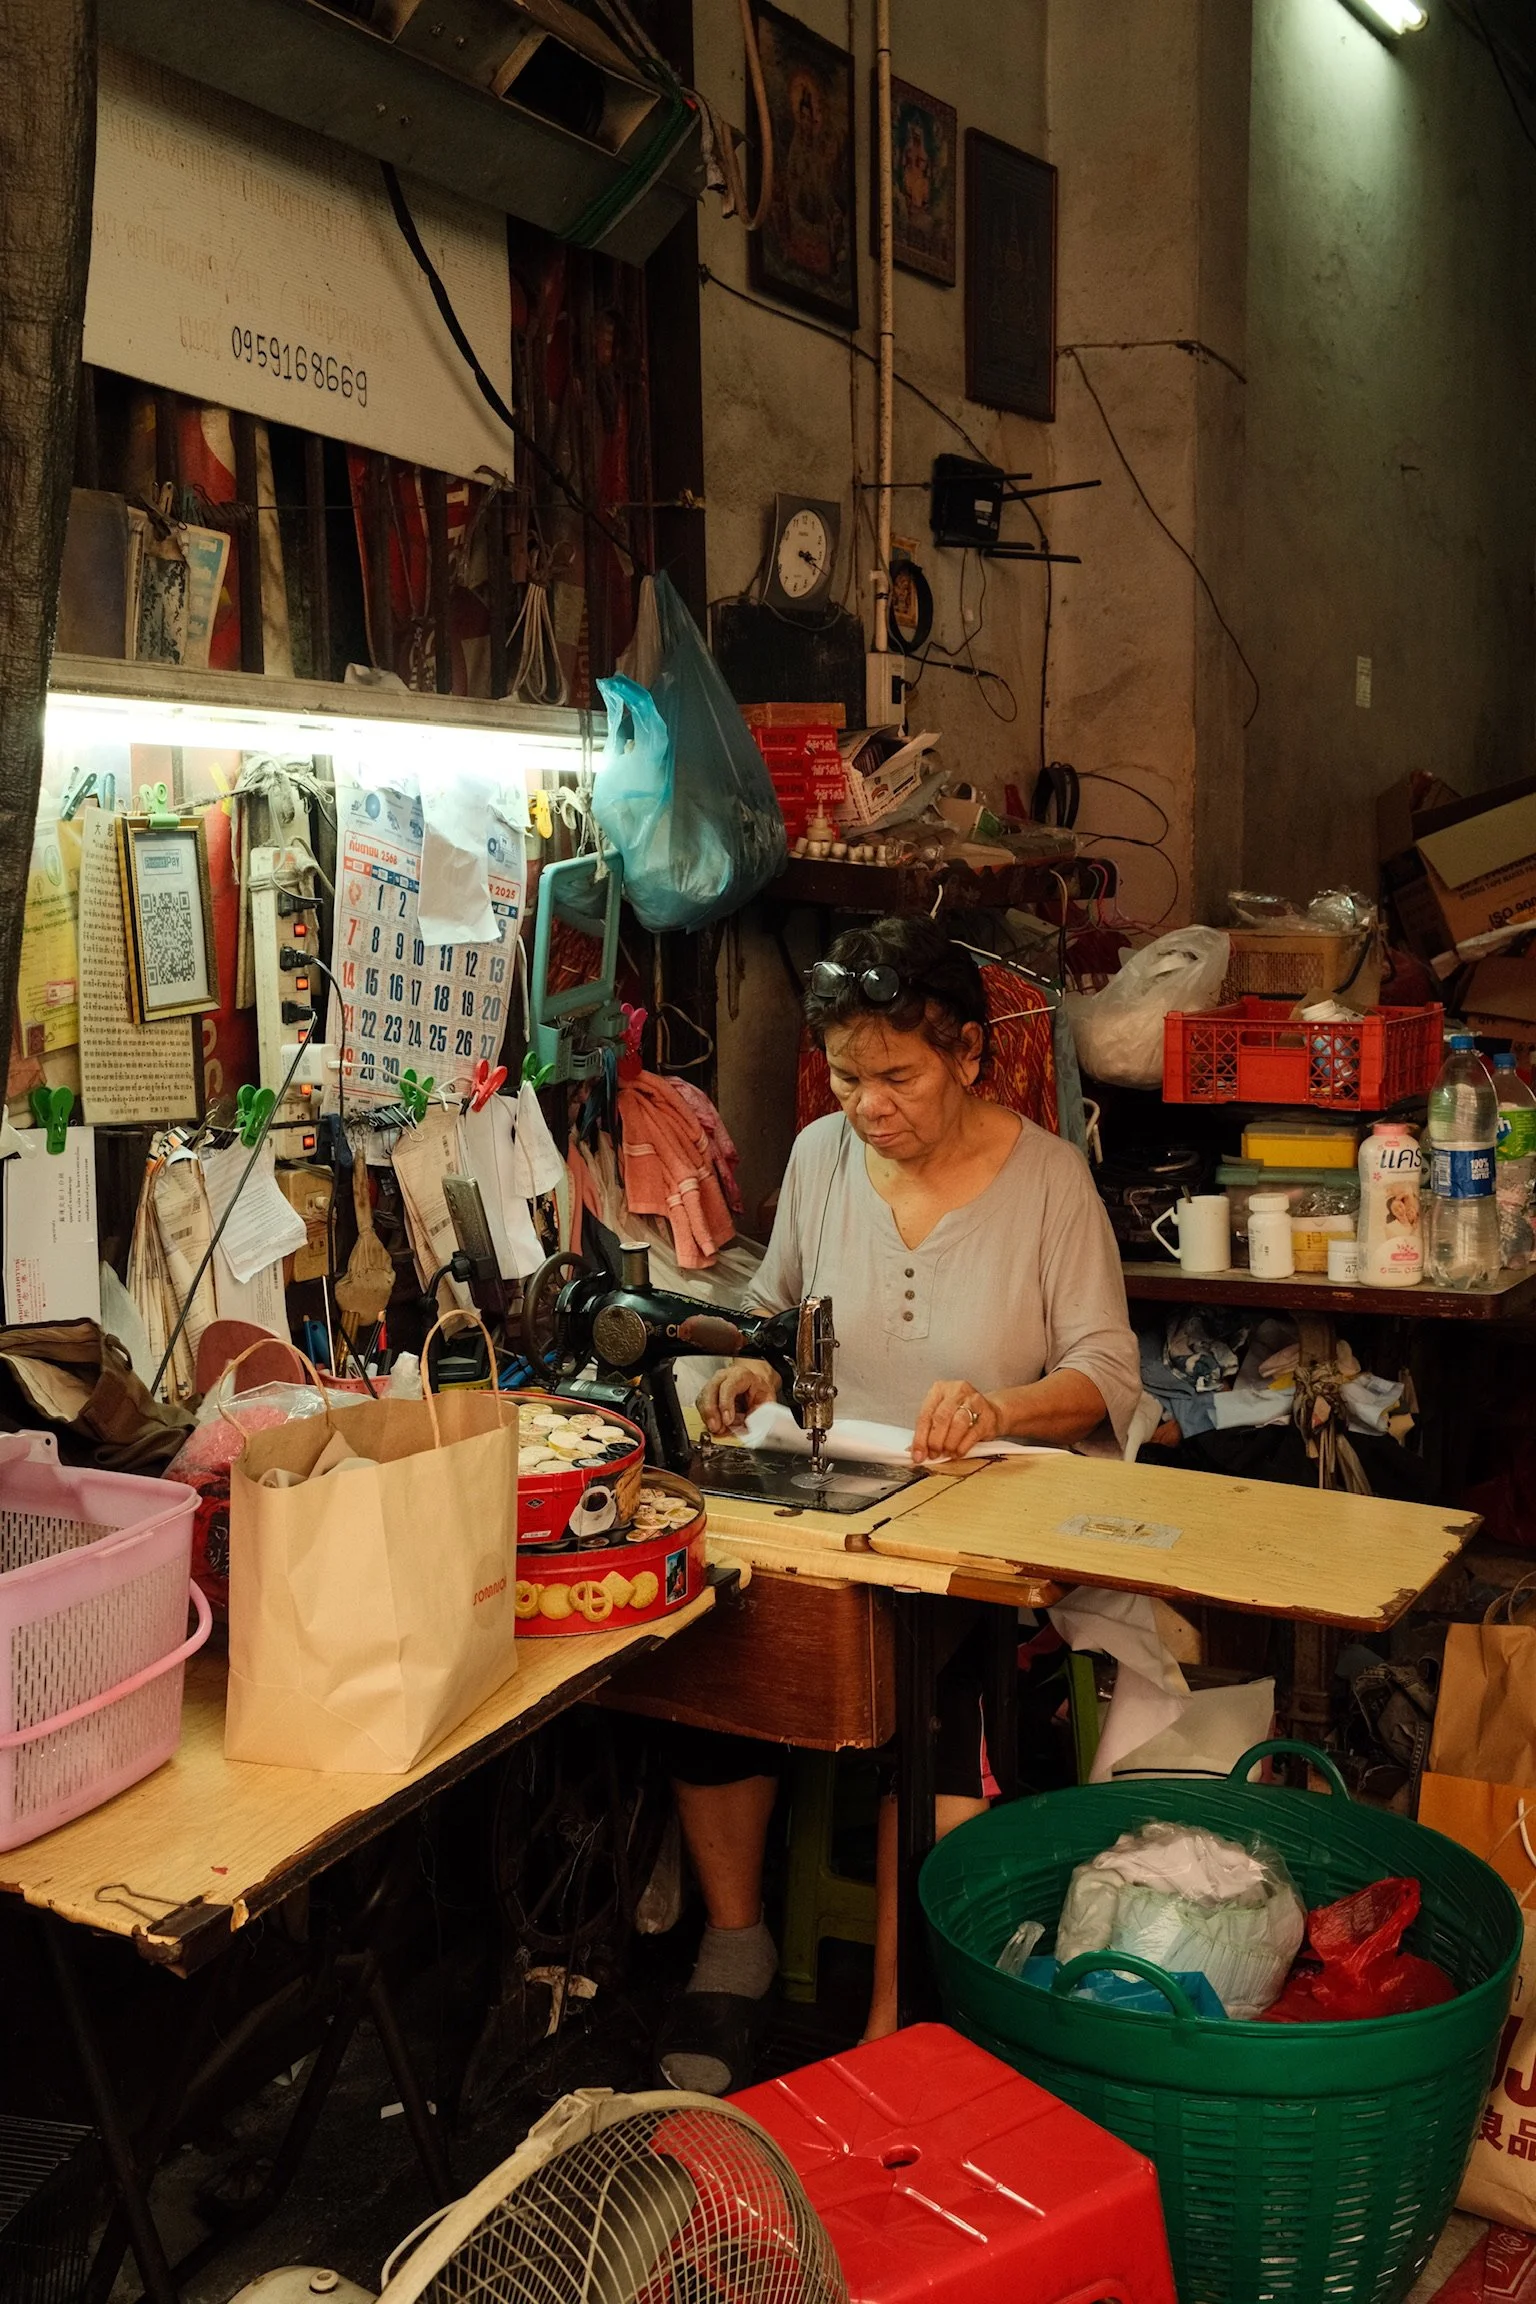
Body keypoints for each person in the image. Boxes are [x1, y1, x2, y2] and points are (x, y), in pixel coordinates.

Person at [655, 916, 1140, 2093]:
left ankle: (898, 2011)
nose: (870, 1104)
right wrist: (754, 1367)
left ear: (969, 1055)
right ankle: (736, 1945)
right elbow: (775, 1312)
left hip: (977, 1509)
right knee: (709, 1646)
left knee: (944, 1679)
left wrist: (1003, 1409)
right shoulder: (822, 1159)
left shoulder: (1047, 1182)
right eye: (849, 1075)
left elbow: (1111, 1374)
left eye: (898, 1076)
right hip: (839, 1496)